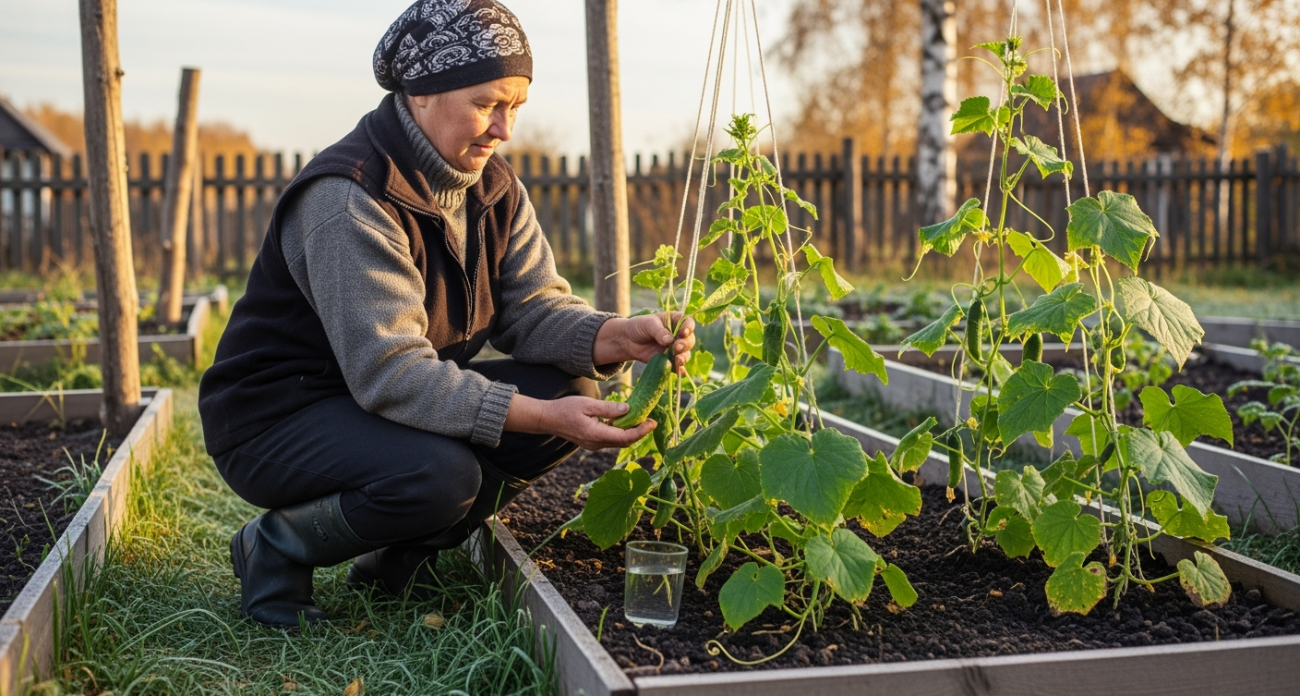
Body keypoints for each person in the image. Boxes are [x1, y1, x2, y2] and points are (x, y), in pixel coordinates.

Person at [197, 0, 694, 628]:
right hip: (278, 418)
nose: (504, 129)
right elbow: (393, 373)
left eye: (516, 107)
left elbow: (532, 308)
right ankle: (274, 547)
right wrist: (542, 417)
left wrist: (614, 335)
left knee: (567, 383)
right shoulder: (349, 197)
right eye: (488, 104)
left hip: (372, 404)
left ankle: (397, 559)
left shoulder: (492, 186)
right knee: (441, 475)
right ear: (424, 93)